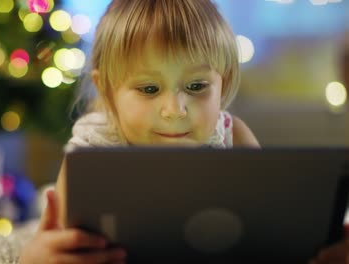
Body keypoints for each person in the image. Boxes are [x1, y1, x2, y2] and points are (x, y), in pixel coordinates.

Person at [19, 0, 349, 263]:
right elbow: (57, 242)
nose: (175, 109)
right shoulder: (90, 151)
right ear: (106, 90)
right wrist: (37, 258)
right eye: (149, 89)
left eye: (196, 86)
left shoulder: (232, 137)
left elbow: (275, 229)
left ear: (225, 81)